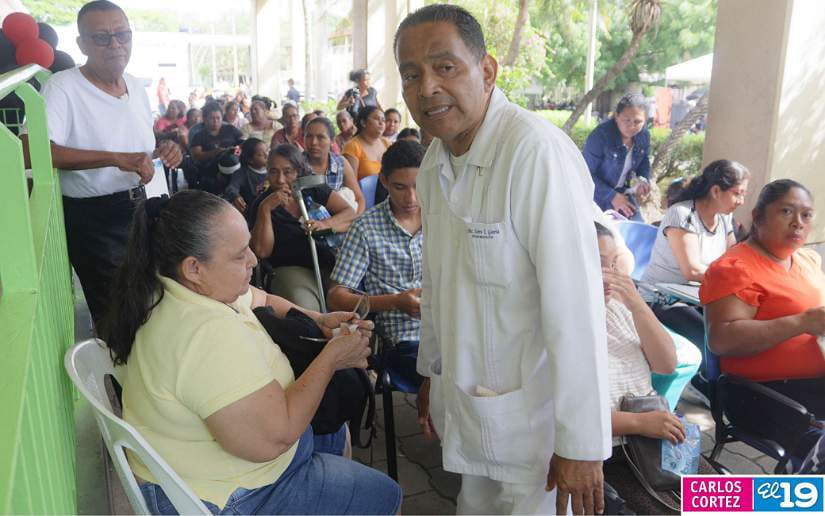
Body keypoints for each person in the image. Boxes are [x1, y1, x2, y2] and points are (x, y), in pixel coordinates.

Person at [395, 5, 610, 514]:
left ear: (487, 70)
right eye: (411, 74)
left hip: (534, 432)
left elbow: (576, 308)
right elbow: (438, 284)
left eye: (445, 67)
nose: (427, 88)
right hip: (469, 409)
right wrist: (431, 374)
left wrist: (581, 444)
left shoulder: (535, 153)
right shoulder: (435, 161)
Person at [97, 190, 401, 515]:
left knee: (335, 432)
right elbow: (276, 438)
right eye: (240, 254)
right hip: (232, 495)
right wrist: (331, 359)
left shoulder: (175, 286)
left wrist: (318, 319)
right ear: (194, 268)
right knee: (386, 496)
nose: (254, 260)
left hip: (208, 465)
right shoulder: (204, 333)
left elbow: (261, 298)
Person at [39, 0, 181, 325]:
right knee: (118, 314)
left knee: (160, 302)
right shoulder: (63, 87)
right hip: (96, 219)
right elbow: (33, 149)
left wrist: (164, 149)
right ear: (82, 44)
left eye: (122, 34)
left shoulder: (136, 85)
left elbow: (139, 147)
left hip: (145, 206)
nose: (115, 44)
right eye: (102, 37)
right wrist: (114, 159)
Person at [701, 179, 825, 461]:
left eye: (806, 215)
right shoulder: (734, 268)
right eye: (786, 212)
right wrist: (801, 322)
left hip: (814, 387)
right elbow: (721, 339)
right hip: (764, 396)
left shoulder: (807, 260)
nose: (798, 223)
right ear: (758, 217)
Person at [328, 140, 426, 391]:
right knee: (445, 376)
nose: (411, 198)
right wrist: (395, 302)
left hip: (451, 331)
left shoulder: (443, 218)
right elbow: (337, 297)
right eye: (400, 187)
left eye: (418, 186)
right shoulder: (366, 228)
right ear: (384, 181)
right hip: (403, 343)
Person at [642, 160, 749, 356]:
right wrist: (737, 279)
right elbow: (692, 270)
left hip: (698, 297)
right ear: (715, 191)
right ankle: (707, 374)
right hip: (663, 298)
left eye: (743, 194)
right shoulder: (682, 214)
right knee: (713, 338)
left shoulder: (724, 218)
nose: (741, 201)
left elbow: (733, 260)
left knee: (739, 330)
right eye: (737, 193)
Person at [249, 145, 356, 311]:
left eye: (287, 172)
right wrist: (265, 209)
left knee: (346, 302)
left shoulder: (311, 189)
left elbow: (349, 212)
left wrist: (325, 224)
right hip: (290, 268)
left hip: (326, 261)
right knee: (310, 309)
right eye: (273, 172)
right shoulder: (262, 203)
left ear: (298, 171)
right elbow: (262, 252)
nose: (280, 180)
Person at [584, 93, 652, 221]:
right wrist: (612, 196)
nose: (631, 126)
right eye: (626, 120)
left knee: (636, 229)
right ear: (616, 116)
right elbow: (585, 174)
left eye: (638, 122)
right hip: (596, 196)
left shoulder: (643, 136)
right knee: (601, 232)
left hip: (623, 193)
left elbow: (644, 160)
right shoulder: (600, 136)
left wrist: (643, 179)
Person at [303, 117, 364, 213]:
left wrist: (355, 218)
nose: (314, 142)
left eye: (320, 137)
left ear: (332, 141)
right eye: (309, 136)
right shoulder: (296, 165)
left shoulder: (340, 163)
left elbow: (359, 199)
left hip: (341, 219)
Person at [189, 101, 243, 194]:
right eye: (212, 118)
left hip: (234, 166)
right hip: (210, 172)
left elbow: (243, 143)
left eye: (218, 118)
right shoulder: (199, 135)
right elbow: (196, 155)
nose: (215, 121)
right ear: (205, 119)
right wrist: (215, 152)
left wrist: (235, 152)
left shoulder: (230, 129)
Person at [342, 106, 390, 180]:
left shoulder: (386, 143)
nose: (381, 123)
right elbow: (350, 182)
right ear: (363, 123)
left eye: (383, 120)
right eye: (377, 119)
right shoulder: (352, 146)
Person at [224, 138, 268, 214]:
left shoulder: (273, 168)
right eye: (261, 155)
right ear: (250, 160)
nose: (267, 155)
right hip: (253, 212)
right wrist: (235, 196)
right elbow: (231, 188)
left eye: (267, 150)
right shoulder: (242, 173)